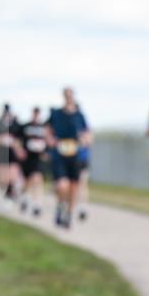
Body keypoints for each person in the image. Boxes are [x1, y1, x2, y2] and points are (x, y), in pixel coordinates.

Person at [46, 88, 91, 229]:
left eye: (71, 95)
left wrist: (85, 140)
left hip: (75, 155)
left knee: (74, 187)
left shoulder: (79, 115)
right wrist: (50, 140)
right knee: (62, 185)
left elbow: (87, 132)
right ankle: (60, 205)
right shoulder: (56, 114)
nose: (69, 97)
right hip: (60, 155)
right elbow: (47, 129)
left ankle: (69, 215)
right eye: (67, 95)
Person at [13, 106, 49, 217]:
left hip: (38, 158)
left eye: (38, 114)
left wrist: (46, 152)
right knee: (27, 181)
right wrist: (19, 150)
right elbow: (16, 139)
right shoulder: (25, 126)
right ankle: (24, 196)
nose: (36, 115)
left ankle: (37, 204)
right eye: (35, 113)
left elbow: (48, 140)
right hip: (27, 157)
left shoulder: (44, 128)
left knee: (37, 178)